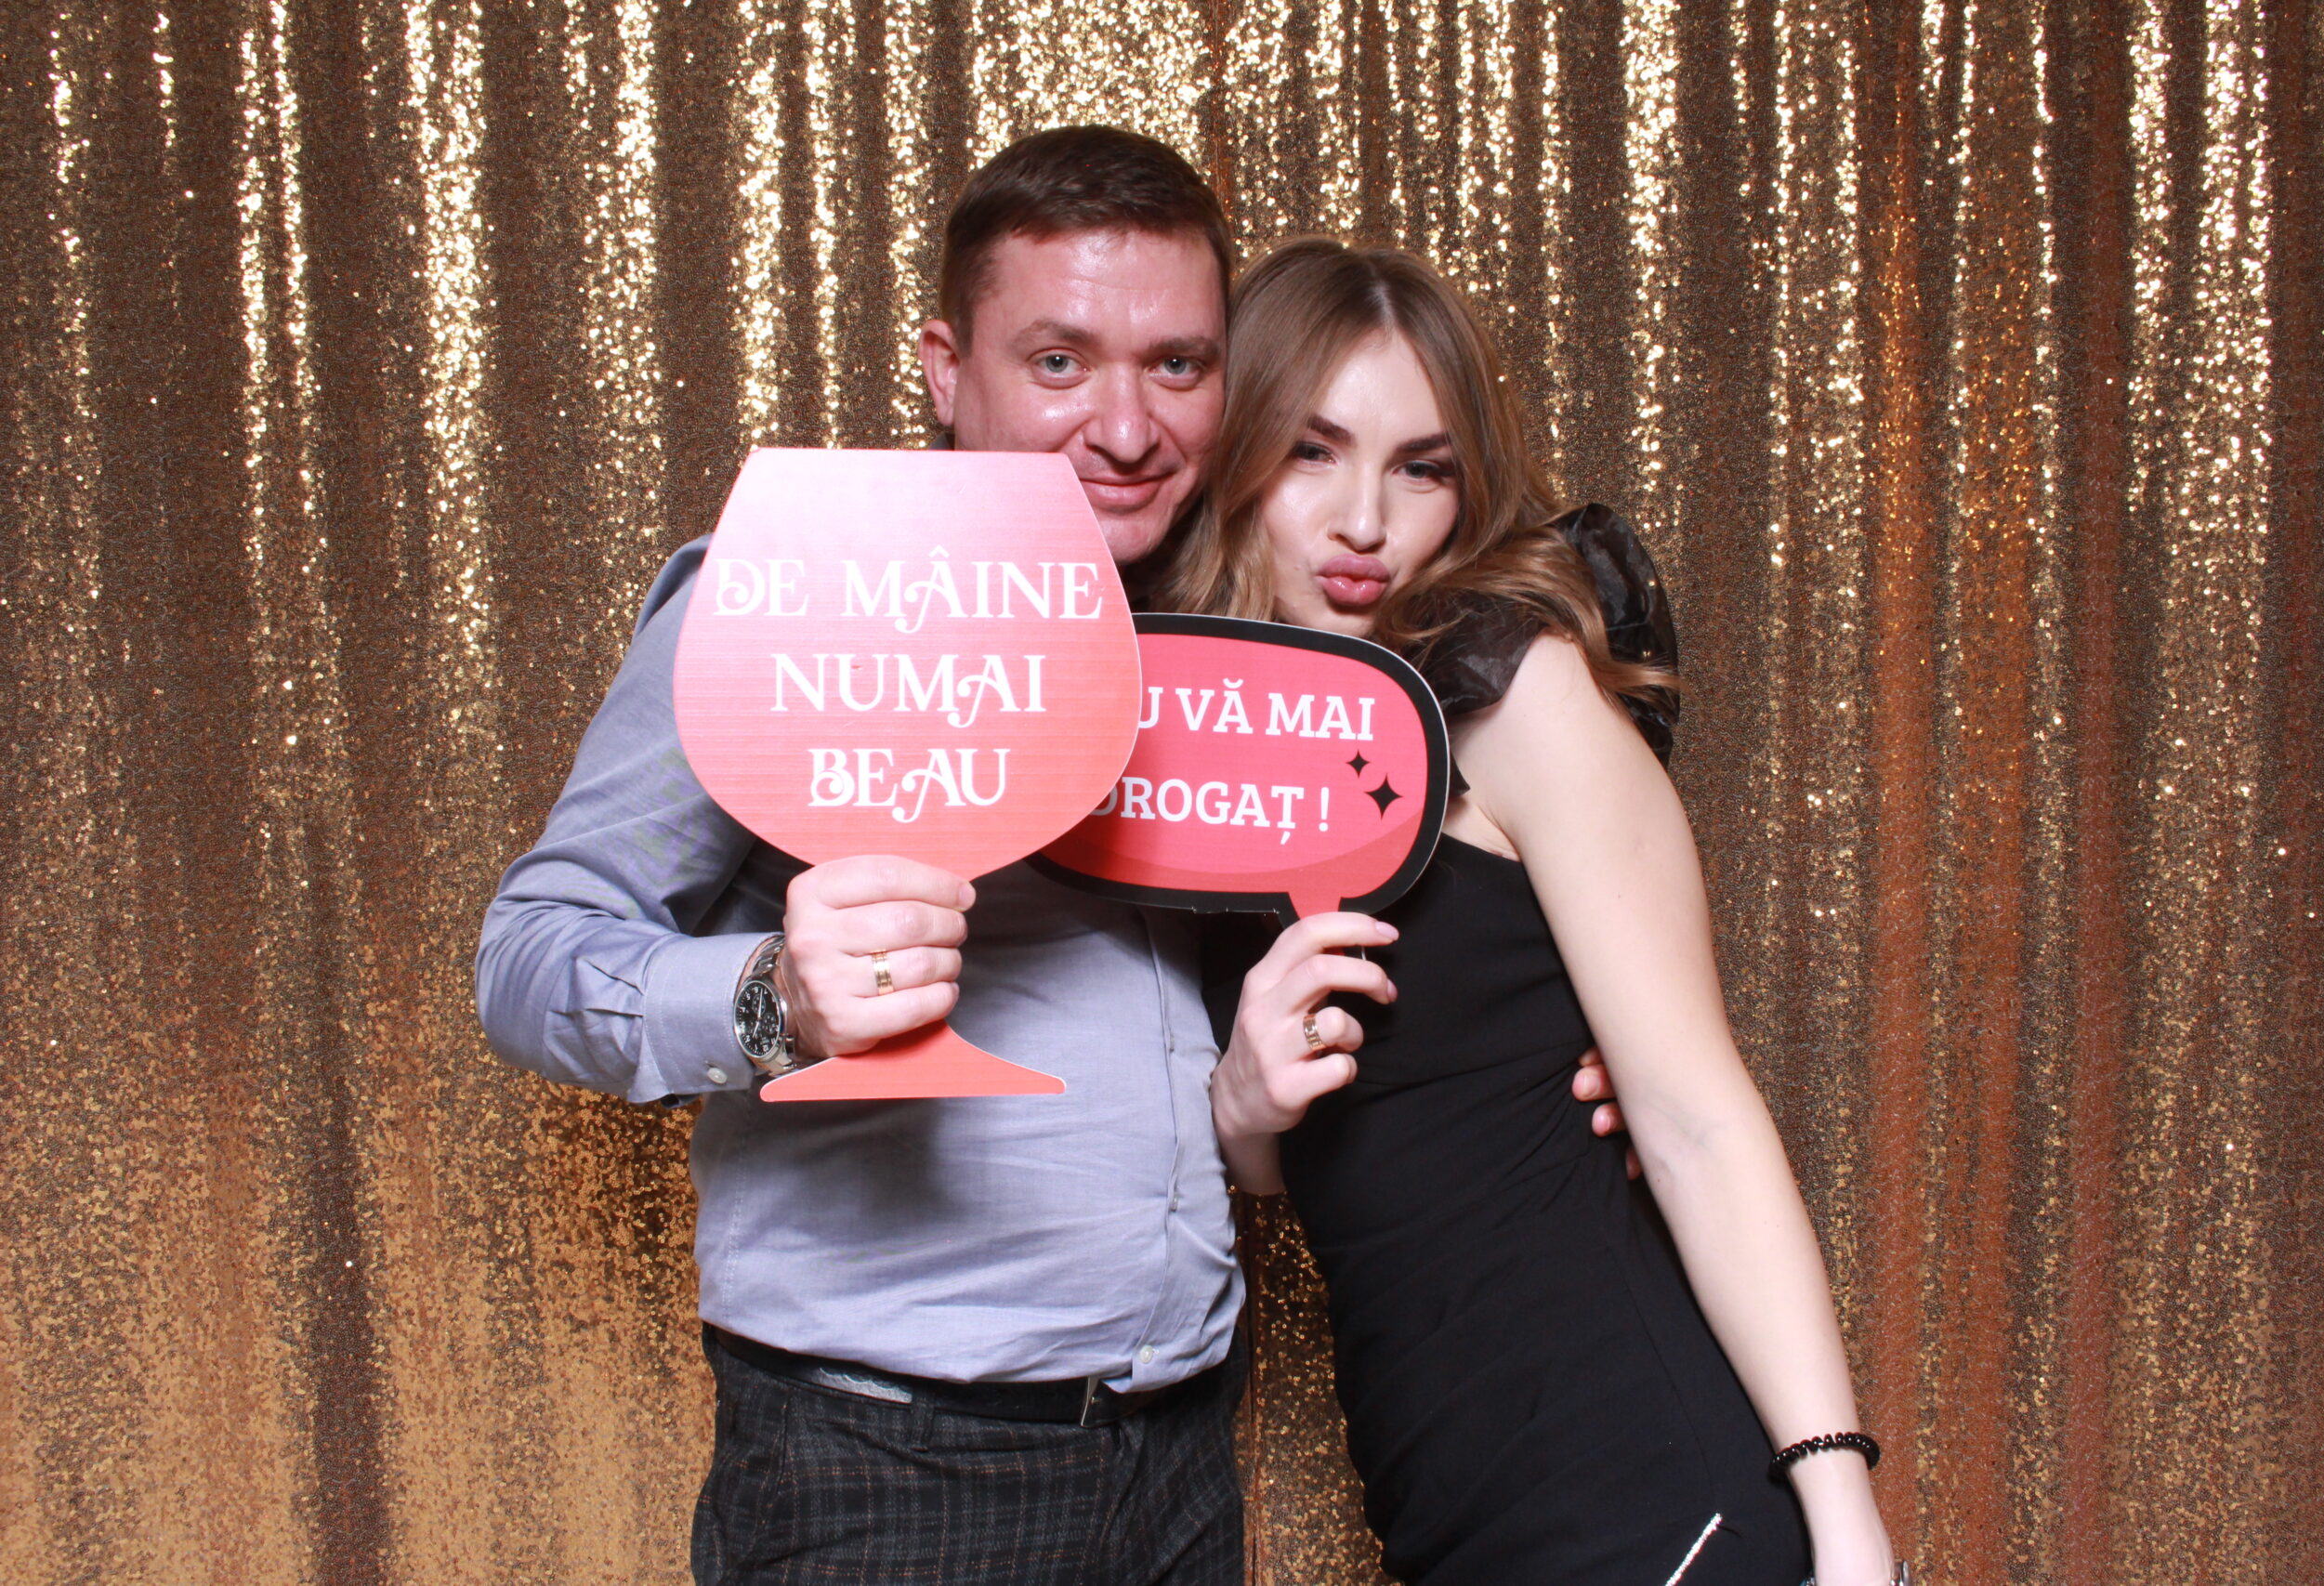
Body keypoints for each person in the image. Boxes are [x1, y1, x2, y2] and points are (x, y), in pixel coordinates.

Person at [476, 129, 1636, 1585]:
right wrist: (779, 999)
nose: (1128, 428)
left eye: (1178, 365)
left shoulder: (1242, 643)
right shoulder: (790, 602)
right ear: (945, 368)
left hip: (1179, 1454)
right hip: (885, 1471)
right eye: (1059, 362)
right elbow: (531, 954)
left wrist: (1583, 1033)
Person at [1174, 240, 1903, 1585]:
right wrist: (1239, 1110)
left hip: (1638, 1486)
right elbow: (1328, 1157)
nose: (1364, 522)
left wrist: (1843, 1516)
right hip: (1444, 1490)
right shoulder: (1209, 766)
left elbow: (1695, 1120)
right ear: (1238, 456)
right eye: (1313, 453)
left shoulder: (1514, 695)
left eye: (1422, 468)